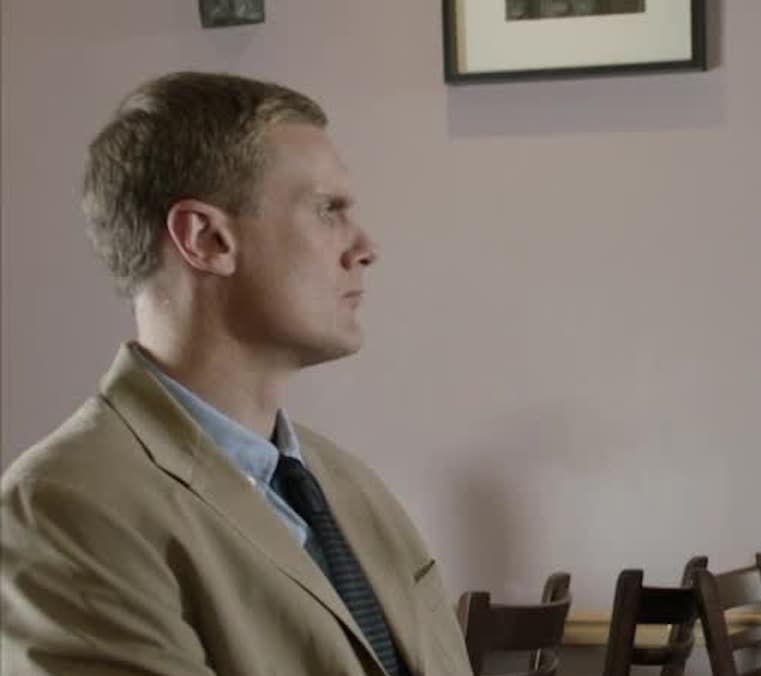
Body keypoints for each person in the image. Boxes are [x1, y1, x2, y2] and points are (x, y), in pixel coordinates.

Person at [0, 71, 472, 676]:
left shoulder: (352, 486)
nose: (364, 247)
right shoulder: (66, 508)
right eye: (327, 210)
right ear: (207, 239)